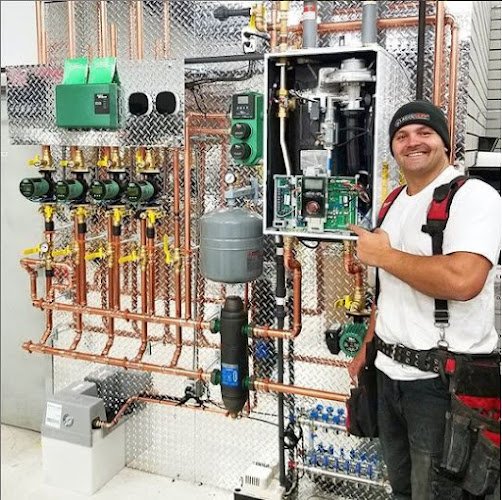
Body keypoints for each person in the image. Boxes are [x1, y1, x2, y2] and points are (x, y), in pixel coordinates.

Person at [347, 100, 501, 500]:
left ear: (445, 143)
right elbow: (386, 289)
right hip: (389, 376)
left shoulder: (474, 197)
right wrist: (368, 345)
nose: (412, 142)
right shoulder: (393, 202)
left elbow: (464, 280)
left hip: (441, 385)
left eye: (424, 132)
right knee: (401, 490)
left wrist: (384, 256)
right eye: (401, 136)